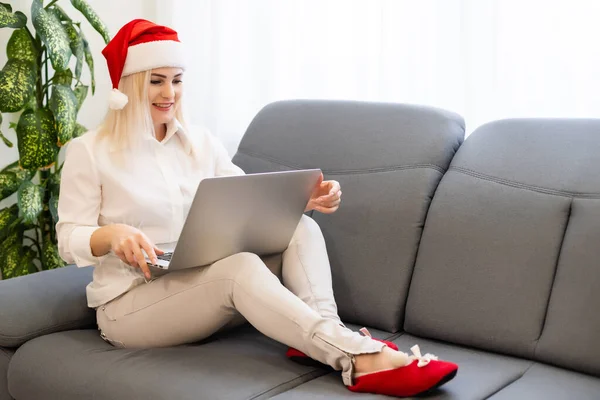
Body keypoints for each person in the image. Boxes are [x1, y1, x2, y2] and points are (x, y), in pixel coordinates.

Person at [56, 19, 458, 397]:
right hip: (129, 306)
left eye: (177, 81)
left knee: (299, 227)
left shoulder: (201, 143)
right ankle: (358, 357)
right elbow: (67, 236)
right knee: (240, 269)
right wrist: (110, 235)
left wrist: (300, 199)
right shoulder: (89, 153)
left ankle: (325, 334)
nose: (170, 94)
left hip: (198, 287)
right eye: (156, 82)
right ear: (127, 85)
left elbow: (244, 200)